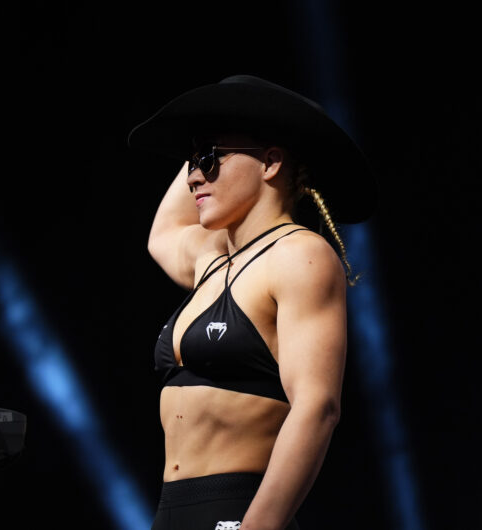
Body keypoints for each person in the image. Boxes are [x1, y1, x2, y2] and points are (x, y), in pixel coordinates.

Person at [128, 75, 377, 530]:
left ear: (270, 163)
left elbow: (317, 405)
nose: (193, 176)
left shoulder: (300, 255)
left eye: (209, 159)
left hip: (241, 513)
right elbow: (161, 235)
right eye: (191, 161)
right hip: (170, 513)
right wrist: (206, 137)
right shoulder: (210, 261)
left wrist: (260, 525)